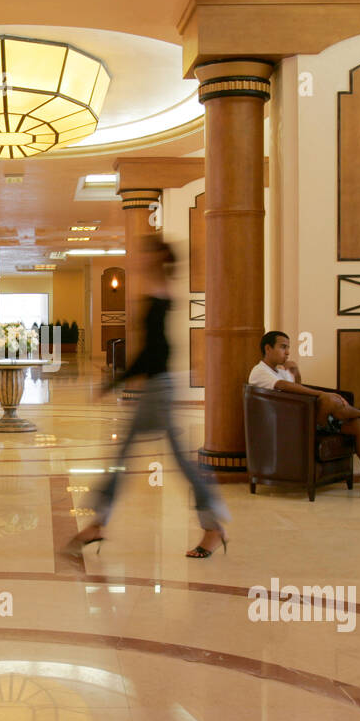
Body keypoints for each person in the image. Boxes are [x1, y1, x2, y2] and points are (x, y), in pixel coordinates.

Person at [71, 236, 230, 559]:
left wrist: (115, 381)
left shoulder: (160, 296)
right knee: (122, 456)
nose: (142, 259)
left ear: (160, 258)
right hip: (157, 389)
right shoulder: (159, 292)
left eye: (148, 254)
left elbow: (153, 353)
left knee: (174, 462)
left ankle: (213, 525)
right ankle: (97, 524)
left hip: (159, 390)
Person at [248, 331, 360, 501]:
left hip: (311, 420)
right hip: (291, 428)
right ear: (268, 348)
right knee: (328, 399)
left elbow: (298, 393)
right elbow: (285, 386)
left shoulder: (282, 371)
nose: (287, 352)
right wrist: (321, 394)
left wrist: (296, 372)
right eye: (283, 347)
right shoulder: (259, 372)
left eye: (288, 348)